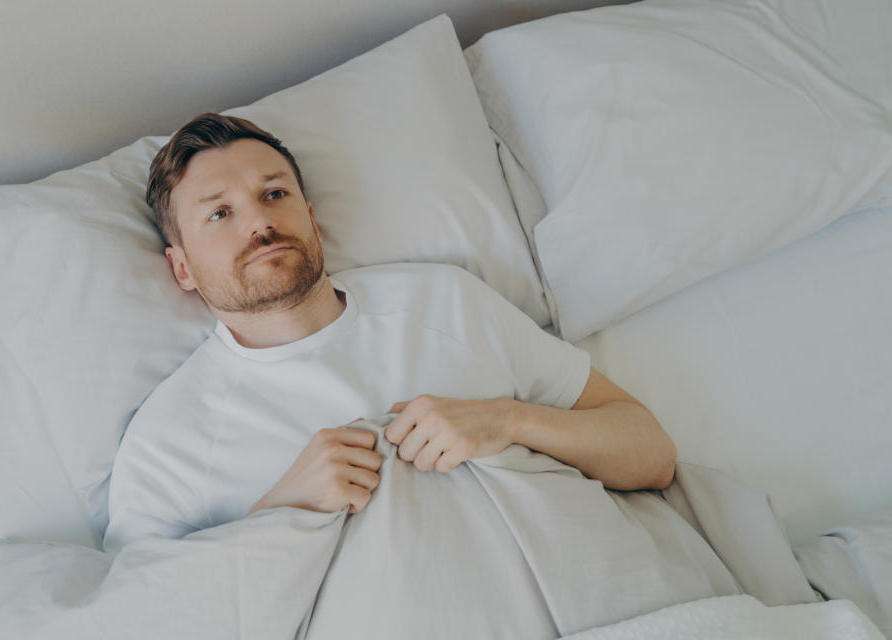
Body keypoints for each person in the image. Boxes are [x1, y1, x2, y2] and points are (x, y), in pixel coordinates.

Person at [102, 112, 677, 552]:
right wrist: (281, 510)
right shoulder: (168, 441)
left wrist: (509, 419)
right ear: (181, 268)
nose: (259, 221)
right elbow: (147, 612)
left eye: (274, 194)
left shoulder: (444, 300)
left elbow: (651, 454)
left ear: (311, 216)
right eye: (219, 214)